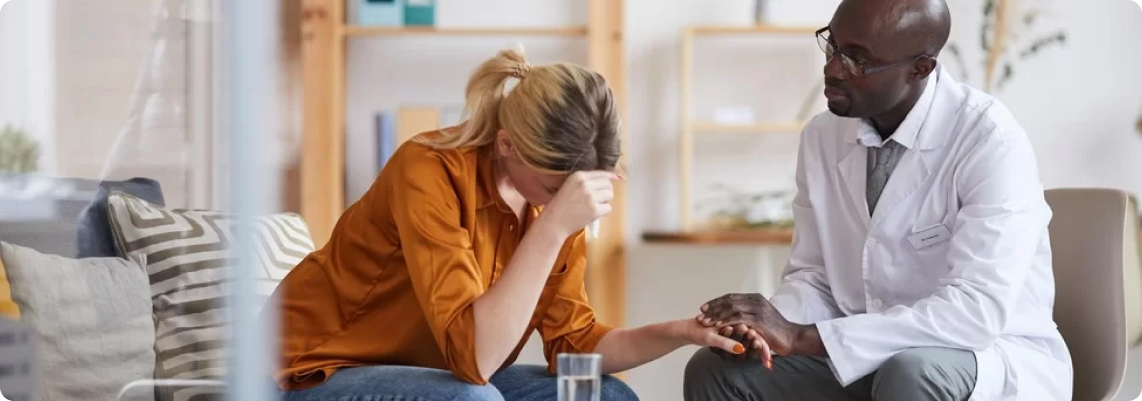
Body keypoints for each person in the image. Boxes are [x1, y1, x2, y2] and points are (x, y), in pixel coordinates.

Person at [271, 48, 748, 401]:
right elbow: (476, 360)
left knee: (606, 394)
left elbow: (574, 346)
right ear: (506, 145)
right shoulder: (428, 169)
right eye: (554, 188)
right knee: (472, 399)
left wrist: (680, 331)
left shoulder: (552, 201)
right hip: (313, 372)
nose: (566, 203)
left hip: (442, 374)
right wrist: (552, 228)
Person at [682, 0, 1073, 400]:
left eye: (857, 60)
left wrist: (802, 337)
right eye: (832, 46)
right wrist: (767, 328)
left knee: (911, 373)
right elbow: (815, 276)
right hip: (863, 355)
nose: (832, 69)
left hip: (982, 358)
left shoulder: (990, 140)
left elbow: (974, 313)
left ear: (920, 68)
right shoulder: (822, 136)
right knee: (718, 371)